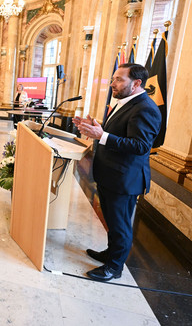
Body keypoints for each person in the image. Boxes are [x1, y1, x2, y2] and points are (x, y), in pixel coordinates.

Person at [74, 63, 162, 282]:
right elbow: (118, 133)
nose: (113, 84)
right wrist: (96, 127)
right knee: (113, 221)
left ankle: (114, 267)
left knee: (120, 225)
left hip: (124, 179)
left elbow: (140, 145)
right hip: (111, 174)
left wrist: (101, 135)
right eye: (113, 79)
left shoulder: (146, 108)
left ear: (137, 83)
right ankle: (109, 254)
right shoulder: (127, 103)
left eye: (119, 79)